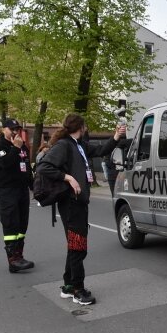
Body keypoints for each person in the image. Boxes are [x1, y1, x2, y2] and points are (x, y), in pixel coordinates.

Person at [36, 114, 125, 305]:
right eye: (85, 125)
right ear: (80, 126)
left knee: (75, 246)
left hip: (79, 202)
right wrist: (67, 177)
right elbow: (43, 167)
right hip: (70, 203)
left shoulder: (79, 145)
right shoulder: (64, 145)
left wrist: (116, 136)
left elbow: (102, 149)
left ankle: (68, 286)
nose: (86, 128)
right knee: (78, 247)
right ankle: (78, 290)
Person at [0, 119, 34, 272]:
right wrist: (15, 148)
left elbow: (27, 166)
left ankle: (19, 256)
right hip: (7, 189)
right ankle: (12, 260)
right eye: (12, 129)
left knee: (22, 223)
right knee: (10, 222)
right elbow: (5, 163)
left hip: (22, 189)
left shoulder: (22, 146)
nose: (15, 131)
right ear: (4, 129)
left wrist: (33, 186)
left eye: (17, 128)